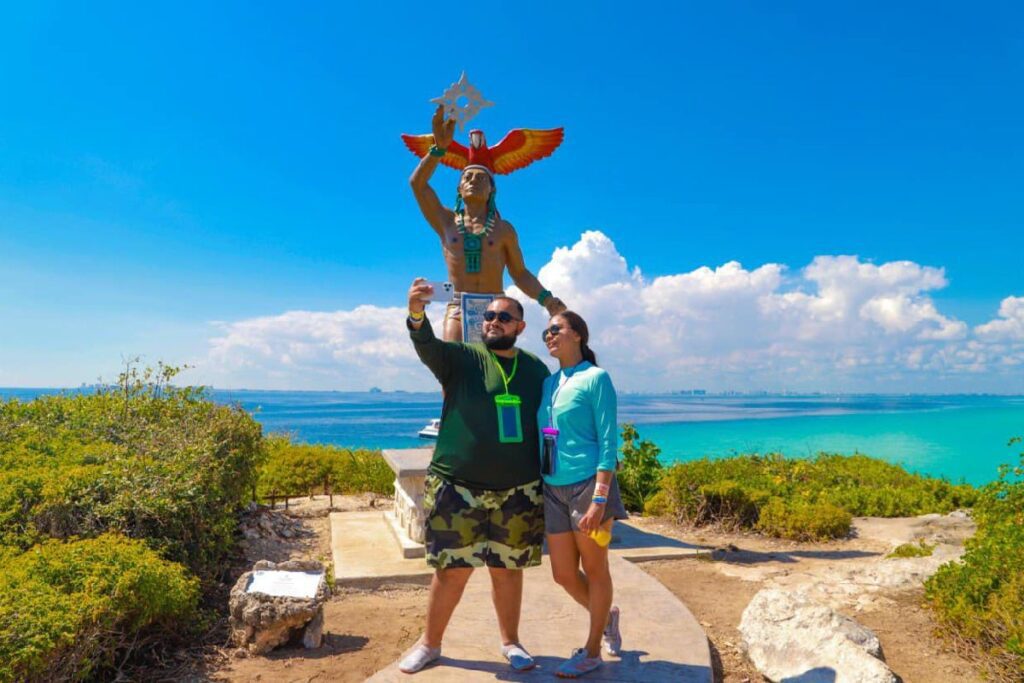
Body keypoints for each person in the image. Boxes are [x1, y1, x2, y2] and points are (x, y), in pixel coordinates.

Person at [398, 277, 550, 674]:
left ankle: (511, 642)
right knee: (451, 573)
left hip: (518, 490)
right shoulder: (463, 359)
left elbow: (556, 420)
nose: (493, 321)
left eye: (504, 316)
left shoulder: (535, 370)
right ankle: (430, 645)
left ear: (520, 327)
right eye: (489, 315)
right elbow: (427, 345)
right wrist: (417, 313)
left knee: (508, 571)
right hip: (457, 487)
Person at [409, 105, 565, 341]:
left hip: (497, 309)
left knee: (494, 371)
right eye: (468, 177)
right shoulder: (447, 221)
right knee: (454, 364)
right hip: (458, 306)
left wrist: (548, 300)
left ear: (492, 189)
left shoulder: (504, 230)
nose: (474, 181)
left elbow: (520, 273)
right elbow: (417, 185)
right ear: (459, 189)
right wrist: (438, 149)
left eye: (481, 178)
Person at [537, 311, 628, 679]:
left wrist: (600, 498)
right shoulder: (550, 382)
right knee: (562, 574)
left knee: (594, 568)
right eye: (546, 331)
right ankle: (607, 616)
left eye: (556, 329)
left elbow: (609, 441)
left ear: (577, 334)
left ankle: (591, 651)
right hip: (552, 486)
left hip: (588, 485)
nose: (549, 335)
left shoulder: (596, 378)